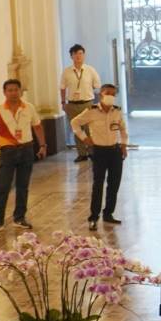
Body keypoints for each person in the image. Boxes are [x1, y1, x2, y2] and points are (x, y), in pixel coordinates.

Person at [0, 79, 47, 236]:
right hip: (8, 152)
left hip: (26, 149)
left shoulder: (29, 107)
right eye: (10, 90)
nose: (13, 92)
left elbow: (37, 126)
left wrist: (43, 145)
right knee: (3, 187)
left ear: (20, 91)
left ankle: (19, 218)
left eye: (16, 89)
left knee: (22, 186)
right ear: (4, 92)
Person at [70, 83, 127, 230]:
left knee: (114, 184)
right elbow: (75, 123)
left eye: (113, 94)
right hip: (99, 152)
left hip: (114, 151)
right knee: (98, 185)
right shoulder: (92, 111)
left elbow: (123, 129)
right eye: (108, 93)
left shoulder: (117, 111)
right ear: (101, 94)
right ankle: (93, 217)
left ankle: (108, 213)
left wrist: (124, 145)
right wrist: (84, 138)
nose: (111, 96)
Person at [59, 44, 100, 162]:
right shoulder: (67, 71)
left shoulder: (90, 70)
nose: (78, 56)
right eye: (75, 54)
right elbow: (62, 87)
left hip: (87, 103)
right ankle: (82, 153)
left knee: (89, 128)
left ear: (84, 55)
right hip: (72, 104)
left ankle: (92, 152)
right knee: (76, 129)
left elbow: (97, 86)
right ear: (71, 56)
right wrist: (63, 102)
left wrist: (96, 102)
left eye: (81, 53)